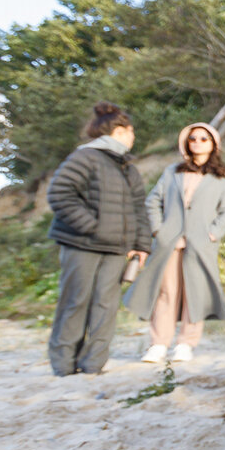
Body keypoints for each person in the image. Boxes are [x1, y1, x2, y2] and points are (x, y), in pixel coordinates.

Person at [45, 102, 149, 376]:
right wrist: (92, 227)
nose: (133, 136)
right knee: (75, 301)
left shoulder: (127, 166)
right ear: (119, 130)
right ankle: (64, 367)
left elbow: (139, 208)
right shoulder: (85, 158)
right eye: (131, 131)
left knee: (106, 306)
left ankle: (93, 366)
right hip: (81, 245)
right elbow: (60, 195)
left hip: (117, 250)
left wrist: (141, 245)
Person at [125, 123, 225, 363]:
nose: (197, 142)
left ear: (213, 144)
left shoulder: (223, 177)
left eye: (204, 139)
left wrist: (212, 235)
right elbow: (153, 201)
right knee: (166, 292)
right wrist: (159, 230)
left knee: (194, 293)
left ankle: (186, 343)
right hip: (169, 243)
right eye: (193, 138)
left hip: (201, 245)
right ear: (186, 142)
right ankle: (158, 344)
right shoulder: (173, 172)